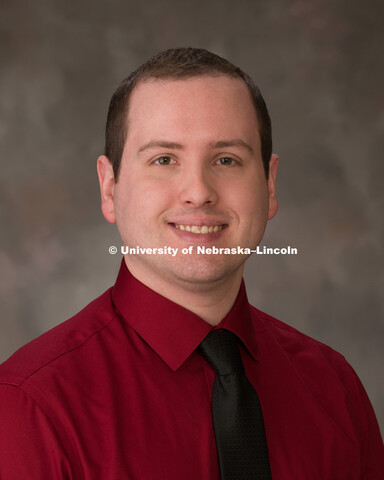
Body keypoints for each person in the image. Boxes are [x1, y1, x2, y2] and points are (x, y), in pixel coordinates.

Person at [0, 48, 382, 479]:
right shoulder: (28, 408)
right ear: (110, 188)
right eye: (164, 159)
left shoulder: (335, 389)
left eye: (226, 160)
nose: (198, 192)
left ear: (269, 185)